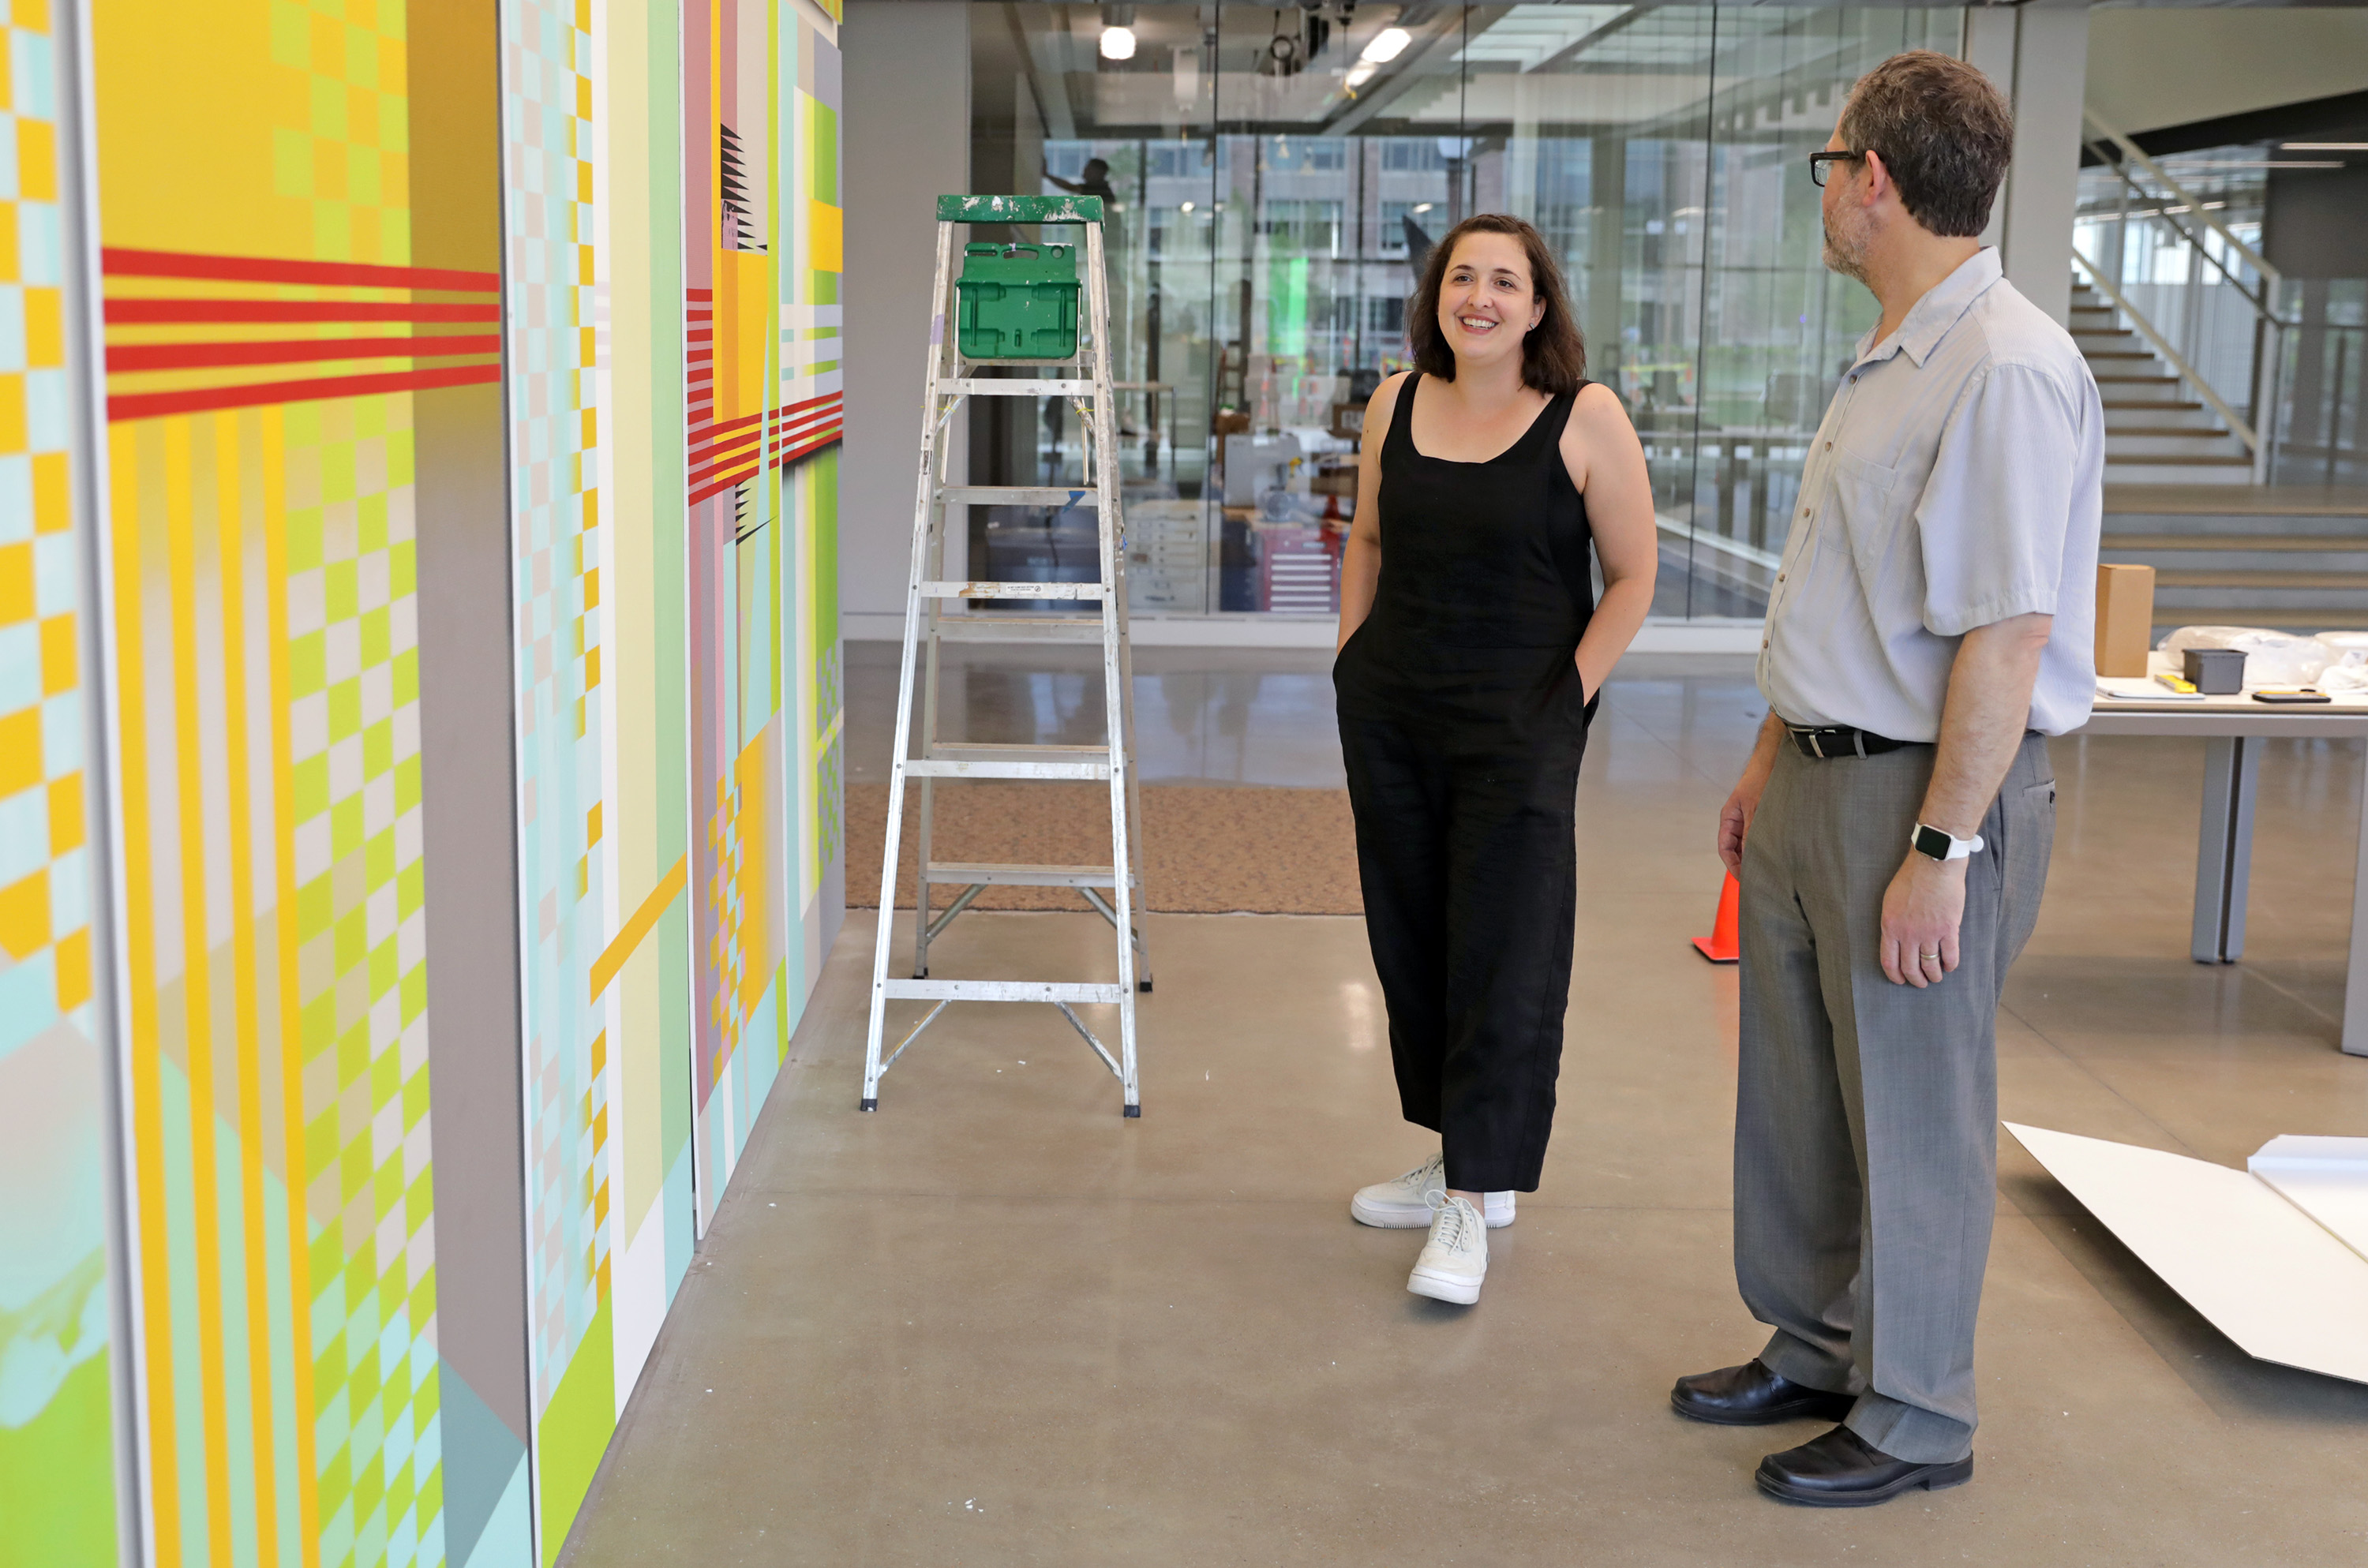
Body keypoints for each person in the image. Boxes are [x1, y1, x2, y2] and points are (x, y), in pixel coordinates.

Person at [1668, 52, 2103, 1506]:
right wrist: (1768, 756)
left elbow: (2007, 635)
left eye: (1830, 168)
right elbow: (1841, 591)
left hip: (1918, 797)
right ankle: (1817, 1344)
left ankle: (1917, 1414)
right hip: (1819, 772)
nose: (1826, 198)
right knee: (1800, 1097)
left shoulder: (2005, 368)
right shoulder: (1896, 353)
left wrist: (1942, 851)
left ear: (1873, 179)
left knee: (1913, 1111)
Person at [1333, 215, 1658, 1307]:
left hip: (1518, 727)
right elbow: (1368, 540)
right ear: (1436, 297)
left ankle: (1475, 1196)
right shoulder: (1394, 402)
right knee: (1414, 939)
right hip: (1394, 714)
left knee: (1505, 952)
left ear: (1537, 306)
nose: (1480, 297)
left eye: (1504, 281)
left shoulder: (1584, 416)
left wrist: (1567, 699)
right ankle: (1458, 1158)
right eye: (1462, 277)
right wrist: (1350, 662)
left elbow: (1634, 575)